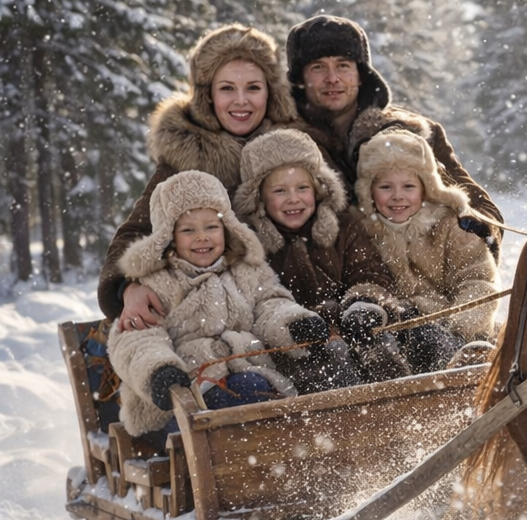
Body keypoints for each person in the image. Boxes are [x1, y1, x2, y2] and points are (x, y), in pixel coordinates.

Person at [98, 23, 298, 330]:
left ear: (270, 92)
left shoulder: (295, 148)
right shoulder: (188, 157)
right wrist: (127, 287)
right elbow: (135, 232)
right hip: (219, 318)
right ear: (208, 96)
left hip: (293, 307)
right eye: (227, 88)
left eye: (253, 88)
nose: (241, 100)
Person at [107, 170, 329, 440]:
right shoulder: (155, 285)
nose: (202, 237)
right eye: (188, 230)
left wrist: (293, 324)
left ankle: (301, 448)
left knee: (311, 379)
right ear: (169, 237)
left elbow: (270, 304)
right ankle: (267, 452)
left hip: (250, 376)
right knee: (247, 394)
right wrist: (159, 371)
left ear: (227, 228)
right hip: (180, 401)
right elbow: (138, 340)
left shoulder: (247, 271)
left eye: (211, 227)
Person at [285, 15, 503, 254]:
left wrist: (474, 231)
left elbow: (482, 208)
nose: (332, 78)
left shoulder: (415, 133)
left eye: (343, 65)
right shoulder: (282, 143)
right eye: (318, 67)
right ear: (300, 79)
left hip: (420, 270)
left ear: (361, 75)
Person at [235, 128, 412, 385]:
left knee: (380, 343)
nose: (293, 199)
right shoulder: (251, 244)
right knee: (333, 362)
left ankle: (406, 397)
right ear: (259, 198)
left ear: (318, 190)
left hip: (351, 324)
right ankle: (352, 407)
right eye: (280, 191)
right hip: (297, 345)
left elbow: (369, 272)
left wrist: (363, 304)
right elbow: (260, 302)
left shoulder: (344, 227)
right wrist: (301, 325)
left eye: (302, 188)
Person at [351, 129, 501, 374]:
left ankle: (453, 369)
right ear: (369, 191)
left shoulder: (449, 226)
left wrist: (460, 327)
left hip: (449, 326)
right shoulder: (362, 232)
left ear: (426, 188)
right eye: (386, 187)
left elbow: (477, 281)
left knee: (429, 341)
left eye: (408, 186)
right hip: (392, 328)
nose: (397, 196)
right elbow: (361, 279)